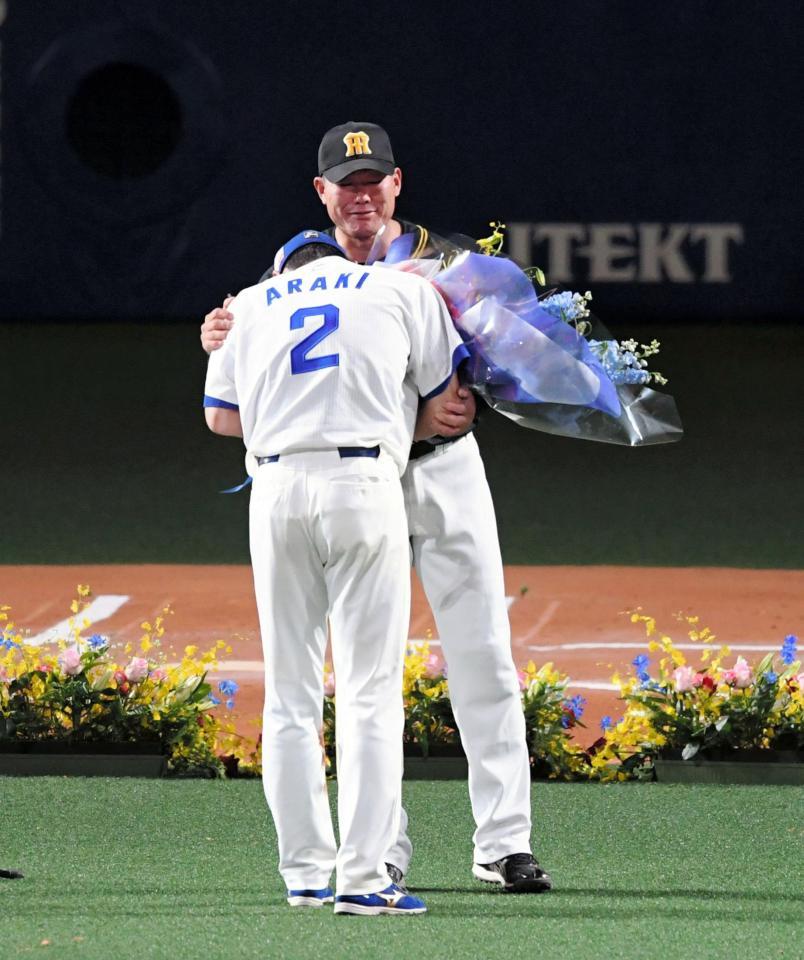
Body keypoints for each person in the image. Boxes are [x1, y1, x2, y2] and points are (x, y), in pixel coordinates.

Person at [201, 122, 553, 895]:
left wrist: (481, 399)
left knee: (483, 651)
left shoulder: (444, 261)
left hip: (442, 471)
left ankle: (503, 841)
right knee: (371, 669)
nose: (362, 197)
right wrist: (217, 335)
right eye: (347, 184)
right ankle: (380, 850)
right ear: (323, 194)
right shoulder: (291, 266)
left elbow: (509, 357)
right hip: (361, 479)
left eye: (374, 182)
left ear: (397, 185)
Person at [204, 230, 469, 915]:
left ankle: (304, 874)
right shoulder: (400, 288)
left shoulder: (250, 304)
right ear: (343, 263)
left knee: (290, 692)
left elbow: (220, 416)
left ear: (283, 268)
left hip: (275, 491)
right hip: (360, 485)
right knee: (368, 691)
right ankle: (364, 878)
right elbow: (446, 403)